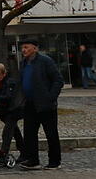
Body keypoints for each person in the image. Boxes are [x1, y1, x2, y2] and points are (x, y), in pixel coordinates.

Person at [18, 38, 63, 170]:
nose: (23, 50)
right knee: (29, 133)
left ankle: (55, 161)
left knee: (51, 133)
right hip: (29, 103)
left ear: (35, 48)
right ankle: (33, 160)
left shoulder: (45, 61)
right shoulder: (24, 63)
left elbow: (58, 80)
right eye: (22, 48)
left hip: (45, 104)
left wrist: (50, 97)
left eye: (26, 47)